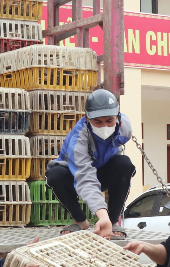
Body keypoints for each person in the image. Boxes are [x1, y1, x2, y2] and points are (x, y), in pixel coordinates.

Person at [46, 89, 136, 239]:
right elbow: (86, 178)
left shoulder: (125, 128)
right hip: (76, 175)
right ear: (87, 118)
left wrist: (107, 219)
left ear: (118, 116)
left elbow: (119, 147)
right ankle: (80, 221)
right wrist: (102, 215)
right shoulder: (78, 140)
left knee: (124, 164)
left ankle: (113, 222)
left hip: (103, 171)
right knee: (55, 175)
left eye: (109, 120)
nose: (104, 126)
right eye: (97, 122)